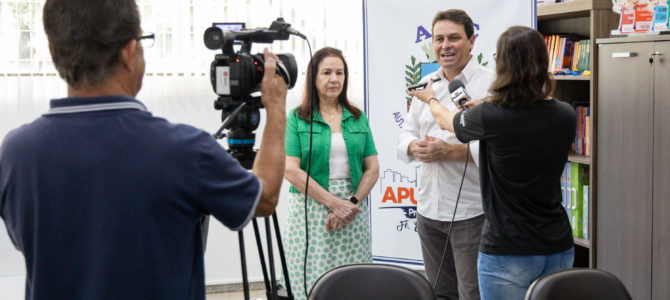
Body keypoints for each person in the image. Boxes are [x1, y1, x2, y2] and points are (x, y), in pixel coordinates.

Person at [0, 1, 287, 299]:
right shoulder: (184, 150)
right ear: (128, 52)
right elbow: (264, 198)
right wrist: (276, 108)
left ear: (55, 52)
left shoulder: (16, 153)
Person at [408, 26, 576, 300]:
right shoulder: (565, 113)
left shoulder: (492, 116)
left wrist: (432, 98)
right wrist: (484, 110)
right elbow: (523, 121)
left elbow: (444, 121)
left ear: (503, 65)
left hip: (508, 248)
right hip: (557, 244)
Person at [397, 9, 494, 300]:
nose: (445, 45)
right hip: (428, 209)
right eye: (439, 39)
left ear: (472, 41)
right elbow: (406, 132)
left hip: (471, 212)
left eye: (454, 38)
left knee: (472, 293)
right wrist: (414, 147)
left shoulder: (491, 84)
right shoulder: (427, 84)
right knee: (439, 293)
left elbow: (497, 148)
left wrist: (450, 152)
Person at [282, 47, 379, 300]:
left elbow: (373, 168)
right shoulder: (297, 118)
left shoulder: (357, 117)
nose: (334, 79)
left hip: (352, 209)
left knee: (352, 281)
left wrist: (351, 203)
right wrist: (334, 203)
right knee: (311, 281)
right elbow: (290, 170)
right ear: (313, 77)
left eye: (339, 72)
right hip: (310, 208)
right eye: (326, 72)